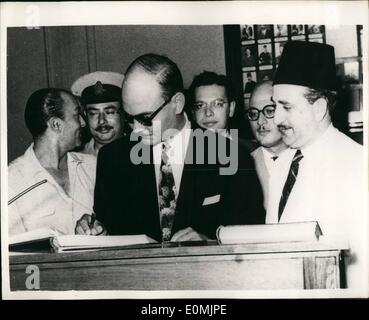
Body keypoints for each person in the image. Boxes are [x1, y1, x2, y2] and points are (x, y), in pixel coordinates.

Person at [75, 53, 265, 242]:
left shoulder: (231, 155)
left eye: (146, 118)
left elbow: (250, 236)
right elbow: (110, 228)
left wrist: (211, 242)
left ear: (177, 103)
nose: (137, 130)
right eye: (129, 118)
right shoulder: (113, 158)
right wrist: (98, 232)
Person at [270, 41, 365, 290]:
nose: (277, 118)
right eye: (275, 105)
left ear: (319, 108)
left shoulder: (357, 164)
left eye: (286, 107)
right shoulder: (282, 165)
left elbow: (361, 268)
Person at [8, 88, 97, 236]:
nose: (83, 123)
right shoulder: (12, 181)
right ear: (56, 125)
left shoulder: (92, 166)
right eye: (76, 115)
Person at [246, 81, 291, 209]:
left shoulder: (309, 159)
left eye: (270, 111)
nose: (260, 121)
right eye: (254, 113)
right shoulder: (243, 163)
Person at [71, 71, 124, 156]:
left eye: (109, 112)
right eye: (93, 113)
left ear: (123, 113)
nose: (101, 121)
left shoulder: (141, 154)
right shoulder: (76, 158)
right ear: (85, 115)